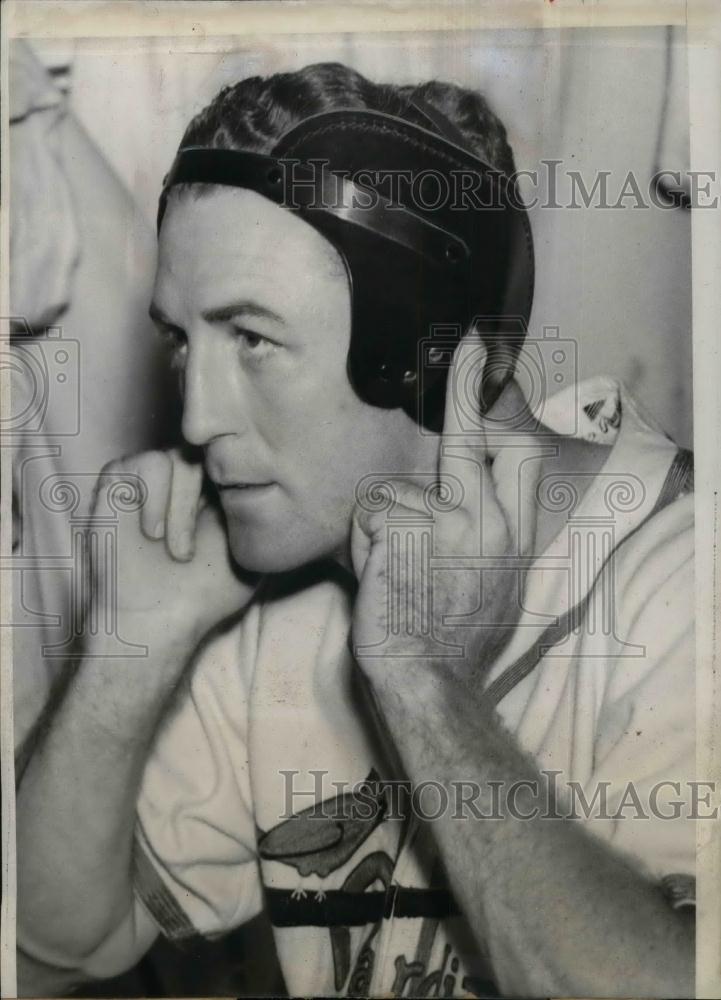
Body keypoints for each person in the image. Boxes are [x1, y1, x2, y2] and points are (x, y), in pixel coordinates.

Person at [16, 63, 695, 998]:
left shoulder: (684, 583)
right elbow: (40, 953)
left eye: (252, 339)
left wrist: (422, 682)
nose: (197, 420)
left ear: (431, 357)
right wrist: (128, 652)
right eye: (182, 340)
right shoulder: (283, 561)